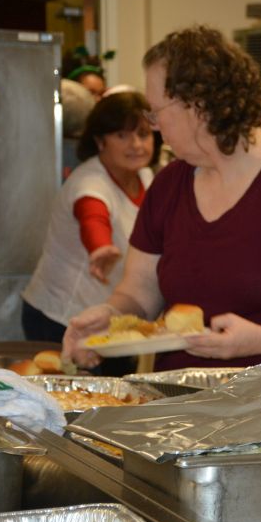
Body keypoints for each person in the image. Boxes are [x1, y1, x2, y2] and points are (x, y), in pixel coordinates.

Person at [63, 25, 261, 371]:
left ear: (196, 106)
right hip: (180, 398)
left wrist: (258, 340)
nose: (155, 126)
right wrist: (111, 317)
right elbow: (138, 292)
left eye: (155, 112)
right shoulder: (168, 186)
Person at [23, 92, 156, 345]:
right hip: (61, 318)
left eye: (143, 134)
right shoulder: (90, 182)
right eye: (122, 136)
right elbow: (92, 215)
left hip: (108, 316)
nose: (137, 145)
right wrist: (101, 247)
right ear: (100, 141)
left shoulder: (147, 178)